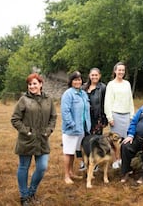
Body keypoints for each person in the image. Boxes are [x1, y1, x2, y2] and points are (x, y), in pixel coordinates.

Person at [11, 73, 57, 205]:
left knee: (42, 167)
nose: (32, 86)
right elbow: (15, 119)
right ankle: (24, 196)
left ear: (41, 84)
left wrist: (48, 131)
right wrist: (27, 132)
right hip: (27, 140)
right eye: (30, 84)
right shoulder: (23, 100)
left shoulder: (48, 99)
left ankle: (32, 192)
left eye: (35, 83)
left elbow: (53, 117)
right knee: (24, 167)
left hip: (42, 139)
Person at [61, 71, 91, 185]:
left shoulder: (83, 94)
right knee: (68, 152)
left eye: (79, 79)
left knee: (73, 151)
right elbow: (65, 111)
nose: (78, 82)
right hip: (71, 129)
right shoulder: (68, 94)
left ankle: (71, 172)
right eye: (75, 80)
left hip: (82, 128)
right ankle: (66, 176)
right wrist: (71, 124)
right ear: (71, 81)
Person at [104, 62, 135, 169]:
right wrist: (110, 117)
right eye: (119, 70)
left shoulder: (127, 84)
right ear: (115, 71)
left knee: (125, 140)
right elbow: (107, 102)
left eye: (123, 70)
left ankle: (123, 160)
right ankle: (116, 160)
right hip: (115, 115)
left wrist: (132, 115)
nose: (121, 72)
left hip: (126, 115)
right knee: (115, 141)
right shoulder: (111, 84)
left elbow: (130, 100)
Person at [79, 68, 108, 172]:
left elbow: (106, 103)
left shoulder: (103, 88)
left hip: (98, 118)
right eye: (92, 75)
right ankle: (83, 161)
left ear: (99, 76)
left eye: (96, 75)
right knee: (84, 140)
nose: (94, 77)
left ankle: (94, 162)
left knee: (95, 141)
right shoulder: (83, 87)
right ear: (89, 76)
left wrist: (105, 117)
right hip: (85, 117)